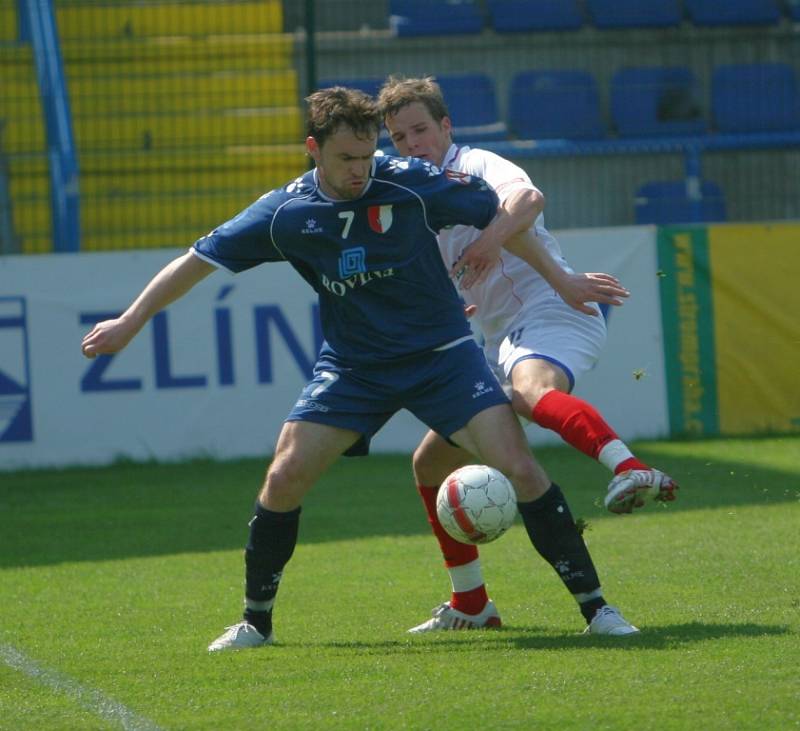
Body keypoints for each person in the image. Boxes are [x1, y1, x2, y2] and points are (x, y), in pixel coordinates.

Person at [81, 87, 636, 652]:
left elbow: (506, 213)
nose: (360, 170)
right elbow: (196, 261)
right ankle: (256, 621)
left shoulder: (410, 183)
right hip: (355, 367)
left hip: (442, 357)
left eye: (368, 156)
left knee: (521, 466)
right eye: (347, 158)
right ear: (313, 150)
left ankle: (597, 608)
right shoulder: (286, 213)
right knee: (284, 477)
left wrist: (561, 278)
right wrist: (130, 321)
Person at [378, 75, 678, 633]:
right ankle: (471, 604)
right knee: (429, 462)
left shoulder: (476, 165)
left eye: (420, 129)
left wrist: (502, 246)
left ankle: (631, 469)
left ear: (446, 127)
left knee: (532, 392)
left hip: (552, 312)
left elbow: (528, 200)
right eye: (399, 137)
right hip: (498, 339)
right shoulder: (414, 197)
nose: (412, 143)